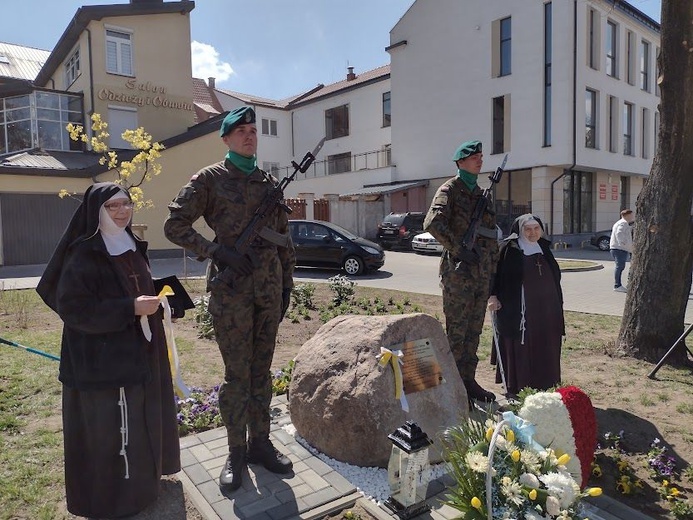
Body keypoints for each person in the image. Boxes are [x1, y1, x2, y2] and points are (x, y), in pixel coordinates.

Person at [164, 106, 296, 491]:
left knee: (262, 373)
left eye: (253, 130)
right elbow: (174, 225)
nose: (249, 136)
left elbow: (283, 239)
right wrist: (216, 251)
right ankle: (235, 451)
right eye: (241, 131)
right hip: (232, 292)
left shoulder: (270, 183)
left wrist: (287, 284)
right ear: (226, 139)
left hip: (269, 291)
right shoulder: (209, 180)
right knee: (237, 376)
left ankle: (261, 445)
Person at [36, 182, 180, 519]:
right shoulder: (83, 253)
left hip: (137, 351)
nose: (122, 212)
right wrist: (130, 307)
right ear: (97, 211)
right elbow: (75, 309)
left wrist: (163, 298)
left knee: (139, 419)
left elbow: (134, 285)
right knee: (111, 429)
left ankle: (143, 488)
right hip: (101, 360)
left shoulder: (130, 244)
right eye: (113, 206)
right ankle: (115, 500)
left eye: (126, 205)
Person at [424, 139, 499, 405]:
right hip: (458, 274)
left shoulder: (481, 195)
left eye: (481, 156)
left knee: (474, 332)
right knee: (456, 333)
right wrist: (459, 248)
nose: (480, 160)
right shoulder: (450, 189)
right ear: (461, 162)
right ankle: (452, 388)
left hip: (480, 274)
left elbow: (490, 237)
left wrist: (493, 272)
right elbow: (433, 223)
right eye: (475, 157)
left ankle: (468, 381)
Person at [488, 214, 565, 397]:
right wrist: (492, 296)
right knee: (522, 344)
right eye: (528, 229)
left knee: (546, 342)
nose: (532, 233)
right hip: (519, 309)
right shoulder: (509, 248)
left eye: (536, 228)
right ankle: (519, 385)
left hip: (546, 309)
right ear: (520, 230)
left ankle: (546, 382)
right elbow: (495, 274)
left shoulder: (544, 247)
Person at [610, 209, 634, 292]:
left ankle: (618, 285)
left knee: (620, 266)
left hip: (618, 248)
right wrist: (623, 243)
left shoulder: (622, 223)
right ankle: (617, 285)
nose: (632, 217)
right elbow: (619, 233)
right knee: (620, 266)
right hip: (619, 249)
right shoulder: (623, 223)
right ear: (627, 215)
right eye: (631, 215)